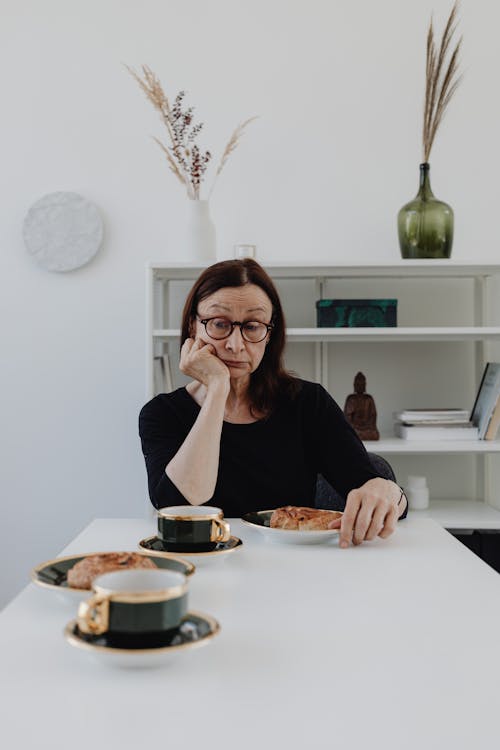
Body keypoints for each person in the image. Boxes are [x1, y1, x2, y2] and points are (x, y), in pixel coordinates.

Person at [139, 259, 407, 548]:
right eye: (219, 324)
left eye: (252, 326)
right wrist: (217, 388)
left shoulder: (308, 403)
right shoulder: (161, 413)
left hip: (292, 565)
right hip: (203, 562)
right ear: (193, 325)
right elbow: (177, 506)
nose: (235, 344)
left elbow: (369, 487)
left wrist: (387, 492)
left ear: (269, 334)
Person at [344, 371, 380, 441]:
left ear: (365, 385)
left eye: (362, 384)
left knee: (374, 434)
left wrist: (368, 426)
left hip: (367, 428)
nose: (360, 386)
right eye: (358, 384)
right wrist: (354, 426)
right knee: (350, 433)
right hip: (355, 428)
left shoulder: (369, 398)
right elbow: (347, 417)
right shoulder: (351, 399)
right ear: (354, 385)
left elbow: (373, 416)